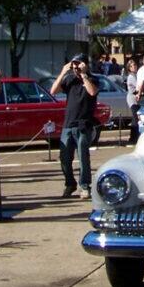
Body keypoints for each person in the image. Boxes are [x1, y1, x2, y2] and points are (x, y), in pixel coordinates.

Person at [50, 54, 99, 199]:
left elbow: (92, 92)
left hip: (84, 124)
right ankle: (69, 184)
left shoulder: (93, 79)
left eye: (79, 64)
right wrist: (63, 72)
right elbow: (53, 91)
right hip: (68, 124)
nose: (76, 67)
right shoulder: (69, 80)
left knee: (83, 156)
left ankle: (85, 186)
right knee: (64, 157)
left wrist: (84, 75)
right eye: (74, 64)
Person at [124, 58, 141, 144]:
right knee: (135, 118)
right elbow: (138, 86)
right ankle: (133, 138)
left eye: (135, 65)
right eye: (132, 66)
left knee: (136, 118)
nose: (134, 67)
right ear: (129, 68)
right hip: (132, 99)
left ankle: (134, 137)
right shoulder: (131, 77)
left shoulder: (136, 75)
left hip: (137, 99)